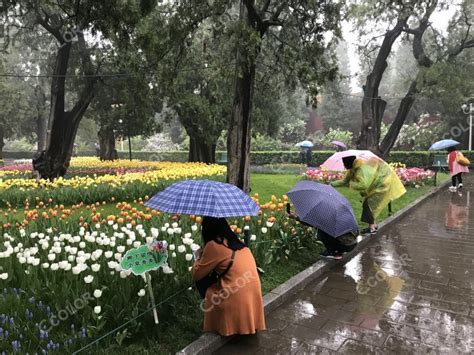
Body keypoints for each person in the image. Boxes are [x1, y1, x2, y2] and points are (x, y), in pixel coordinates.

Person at [191, 217, 265, 336]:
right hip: (252, 292)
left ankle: (224, 321)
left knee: (204, 284)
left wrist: (198, 257)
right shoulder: (236, 242)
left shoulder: (213, 246)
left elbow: (196, 274)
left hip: (234, 294)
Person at [331, 156, 406, 235]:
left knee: (368, 205)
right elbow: (344, 181)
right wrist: (331, 184)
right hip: (374, 186)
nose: (344, 165)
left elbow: (364, 185)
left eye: (344, 163)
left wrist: (352, 184)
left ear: (349, 163)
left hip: (381, 185)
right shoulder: (352, 170)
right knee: (368, 206)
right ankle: (373, 226)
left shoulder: (362, 170)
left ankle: (372, 228)